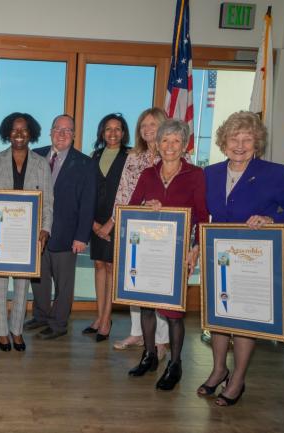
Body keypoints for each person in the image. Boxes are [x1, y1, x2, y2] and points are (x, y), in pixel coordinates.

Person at [198, 111, 284, 406]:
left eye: (247, 139)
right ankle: (219, 369)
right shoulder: (209, 173)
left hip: (253, 261)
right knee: (220, 316)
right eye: (234, 138)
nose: (239, 144)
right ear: (223, 142)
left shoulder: (274, 173)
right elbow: (200, 212)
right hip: (220, 259)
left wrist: (271, 219)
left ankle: (237, 379)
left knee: (245, 319)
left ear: (256, 143)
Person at [126, 119, 208, 391]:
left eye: (176, 141)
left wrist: (196, 248)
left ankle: (175, 364)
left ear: (184, 145)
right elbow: (131, 207)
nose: (170, 146)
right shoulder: (148, 174)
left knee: (174, 312)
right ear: (157, 145)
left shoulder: (196, 174)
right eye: (165, 140)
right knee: (147, 306)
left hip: (178, 254)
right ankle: (149, 355)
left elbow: (202, 215)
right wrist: (146, 206)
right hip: (149, 251)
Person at [0, 112, 53, 352]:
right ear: (8, 133)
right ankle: (1, 332)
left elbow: (48, 201)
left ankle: (16, 331)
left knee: (22, 285)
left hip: (27, 237)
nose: (19, 134)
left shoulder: (41, 164)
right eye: (15, 130)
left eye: (24, 130)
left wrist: (45, 229)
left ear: (32, 133)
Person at [24, 114, 96, 339]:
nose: (62, 134)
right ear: (50, 131)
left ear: (74, 135)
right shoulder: (34, 156)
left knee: (64, 283)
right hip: (36, 232)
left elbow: (88, 203)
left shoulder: (85, 163)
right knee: (39, 277)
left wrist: (81, 236)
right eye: (58, 129)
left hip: (67, 233)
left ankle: (59, 324)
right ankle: (41, 315)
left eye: (67, 130)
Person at [110, 108, 171, 359]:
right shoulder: (134, 156)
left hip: (165, 231)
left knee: (160, 285)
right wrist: (117, 222)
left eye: (153, 124)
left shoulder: (175, 154)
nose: (147, 129)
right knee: (134, 280)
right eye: (143, 125)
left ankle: (162, 339)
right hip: (135, 227)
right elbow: (123, 191)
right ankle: (137, 332)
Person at [85, 113, 129, 342]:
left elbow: (129, 193)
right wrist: (91, 222)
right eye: (108, 129)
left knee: (111, 267)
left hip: (117, 219)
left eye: (117, 129)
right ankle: (99, 316)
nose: (113, 133)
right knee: (99, 265)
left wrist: (111, 223)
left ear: (123, 133)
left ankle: (106, 320)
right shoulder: (95, 155)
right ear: (102, 133)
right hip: (96, 219)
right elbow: (89, 190)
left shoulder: (130, 156)